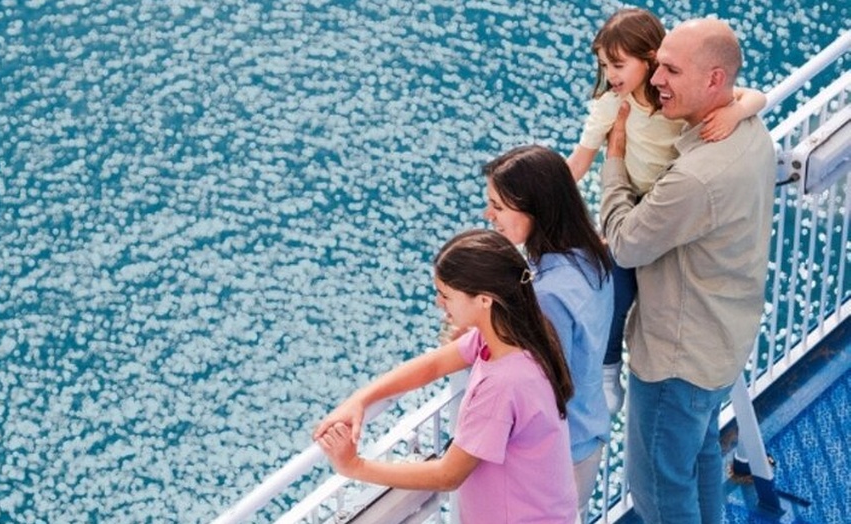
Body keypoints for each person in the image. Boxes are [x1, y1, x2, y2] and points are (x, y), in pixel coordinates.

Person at [599, 17, 775, 524]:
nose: (656, 80)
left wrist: (615, 160)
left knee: (658, 490)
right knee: (699, 459)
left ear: (714, 81)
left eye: (671, 70)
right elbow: (750, 95)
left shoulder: (696, 177)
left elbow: (626, 243)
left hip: (676, 362)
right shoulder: (747, 128)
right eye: (657, 67)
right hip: (722, 341)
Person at [566, 8, 767, 415]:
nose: (611, 75)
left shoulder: (674, 102)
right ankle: (608, 366)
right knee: (615, 281)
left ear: (650, 59)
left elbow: (750, 95)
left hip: (670, 200)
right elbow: (580, 159)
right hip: (645, 201)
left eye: (619, 64)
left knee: (625, 261)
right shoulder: (614, 105)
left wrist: (735, 111)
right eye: (605, 66)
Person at [314, 229, 580, 524]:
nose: (439, 303)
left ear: (484, 300)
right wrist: (361, 399)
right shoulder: (514, 335)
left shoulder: (503, 386)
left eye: (446, 295)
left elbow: (448, 474)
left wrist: (353, 466)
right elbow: (433, 366)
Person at [482, 144, 614, 523]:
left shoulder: (547, 296)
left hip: (559, 455)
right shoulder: (591, 256)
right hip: (587, 436)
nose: (489, 215)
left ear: (534, 209)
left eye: (499, 207)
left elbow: (546, 387)